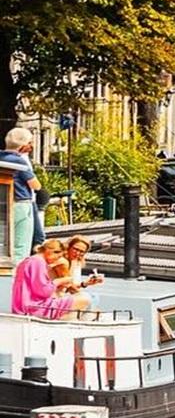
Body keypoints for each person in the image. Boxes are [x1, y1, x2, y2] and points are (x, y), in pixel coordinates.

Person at [11, 240, 89, 318]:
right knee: (84, 299)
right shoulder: (38, 262)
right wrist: (58, 281)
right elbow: (43, 291)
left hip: (26, 305)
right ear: (52, 251)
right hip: (34, 308)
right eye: (58, 257)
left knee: (79, 300)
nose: (57, 260)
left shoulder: (30, 260)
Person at [1, 128, 41, 262]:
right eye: (30, 143)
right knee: (21, 242)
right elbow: (35, 185)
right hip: (21, 203)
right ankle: (18, 270)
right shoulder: (19, 161)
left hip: (4, 202)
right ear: (23, 145)